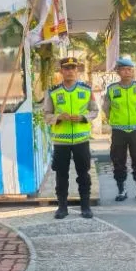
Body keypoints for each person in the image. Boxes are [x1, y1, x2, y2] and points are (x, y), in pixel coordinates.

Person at [44, 56, 99, 219]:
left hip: (82, 140)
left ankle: (85, 206)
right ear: (61, 71)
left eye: (73, 68)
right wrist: (59, 117)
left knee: (84, 174)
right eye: (66, 68)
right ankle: (62, 207)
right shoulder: (53, 92)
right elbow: (46, 115)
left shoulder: (86, 90)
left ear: (77, 71)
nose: (70, 71)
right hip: (61, 142)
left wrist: (83, 117)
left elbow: (95, 111)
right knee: (61, 175)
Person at [103, 57, 136, 201]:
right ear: (118, 71)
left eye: (130, 69)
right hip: (119, 130)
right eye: (124, 69)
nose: (127, 72)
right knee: (118, 160)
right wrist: (112, 120)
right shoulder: (112, 89)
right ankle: (121, 189)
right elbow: (106, 107)